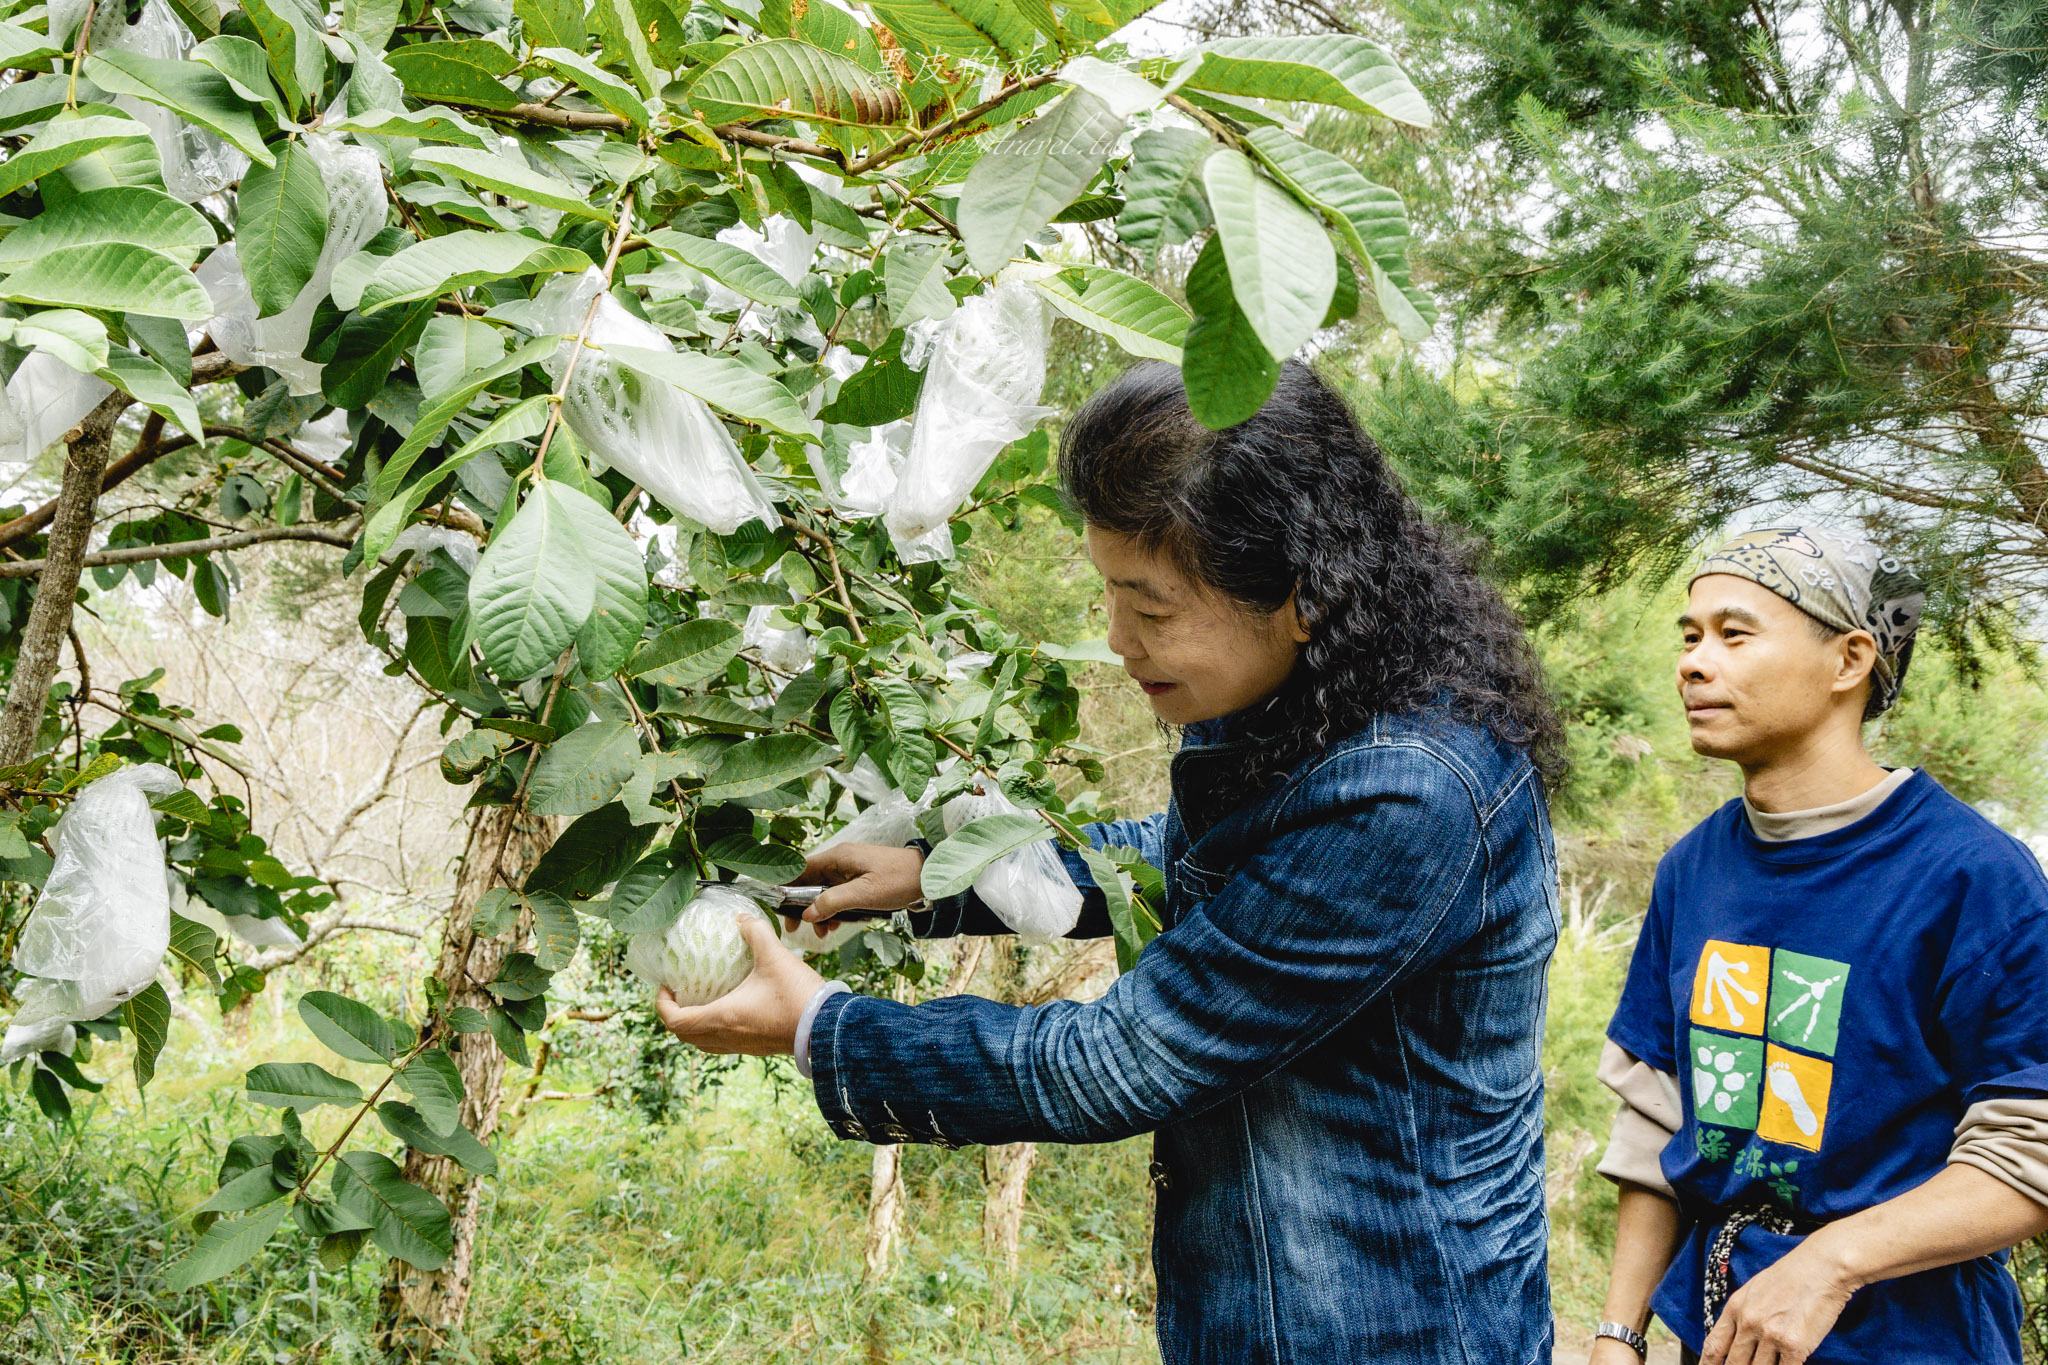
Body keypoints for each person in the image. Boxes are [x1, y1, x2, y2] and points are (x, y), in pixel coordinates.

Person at [652, 359, 1567, 1364]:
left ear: (1301, 593)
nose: (1117, 639)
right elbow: (1185, 863)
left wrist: (820, 1032)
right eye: (1108, 594)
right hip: (1271, 1307)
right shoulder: (1310, 704)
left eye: (1152, 607)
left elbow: (1115, 1063)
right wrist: (936, 876)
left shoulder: (1410, 790)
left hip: (1385, 1327)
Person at [1590, 526, 2048, 1365]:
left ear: (1849, 659)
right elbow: (1655, 1119)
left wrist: (1829, 1264)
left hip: (1915, 1343)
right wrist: (1619, 1334)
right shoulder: (1694, 868)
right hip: (1718, 1335)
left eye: (1734, 633)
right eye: (1689, 637)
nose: (1694, 662)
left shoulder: (1973, 876)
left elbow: (2031, 1148)